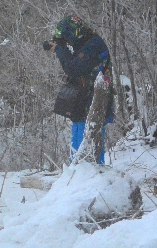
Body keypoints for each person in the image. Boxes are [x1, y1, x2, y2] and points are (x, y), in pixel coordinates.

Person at [45, 15, 113, 164]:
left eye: (68, 39)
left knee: (89, 146)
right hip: (84, 103)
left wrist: (60, 49)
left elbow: (73, 69)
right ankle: (77, 174)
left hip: (93, 103)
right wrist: (61, 46)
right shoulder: (87, 43)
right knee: (78, 144)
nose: (69, 42)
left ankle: (91, 177)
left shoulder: (92, 46)